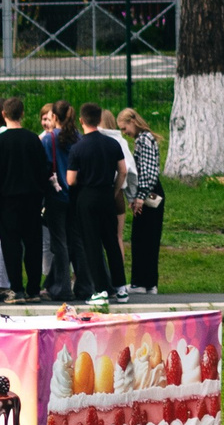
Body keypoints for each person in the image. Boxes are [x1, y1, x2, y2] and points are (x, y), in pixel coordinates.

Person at [65, 103, 130, 301]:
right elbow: (123, 170)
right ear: (100, 119)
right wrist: (114, 190)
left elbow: (70, 180)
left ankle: (101, 289)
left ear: (81, 121)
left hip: (87, 197)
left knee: (92, 244)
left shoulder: (77, 148)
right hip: (106, 195)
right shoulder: (112, 144)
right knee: (111, 241)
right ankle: (121, 288)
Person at [0, 95, 50, 304]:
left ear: (3, 114)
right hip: (32, 199)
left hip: (7, 200)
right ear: (22, 114)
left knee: (11, 245)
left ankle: (17, 289)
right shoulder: (33, 139)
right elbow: (43, 169)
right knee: (33, 244)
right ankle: (33, 289)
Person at [116, 108, 163, 292]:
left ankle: (141, 282)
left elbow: (148, 172)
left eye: (124, 128)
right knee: (149, 237)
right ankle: (149, 282)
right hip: (151, 192)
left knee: (141, 237)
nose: (124, 132)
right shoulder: (146, 138)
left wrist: (140, 196)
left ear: (132, 122)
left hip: (148, 192)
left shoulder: (144, 140)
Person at [38, 101, 80, 301]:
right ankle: (80, 283)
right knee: (73, 241)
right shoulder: (78, 137)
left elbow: (44, 167)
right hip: (75, 195)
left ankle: (61, 287)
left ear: (54, 117)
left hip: (56, 195)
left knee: (59, 243)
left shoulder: (49, 139)